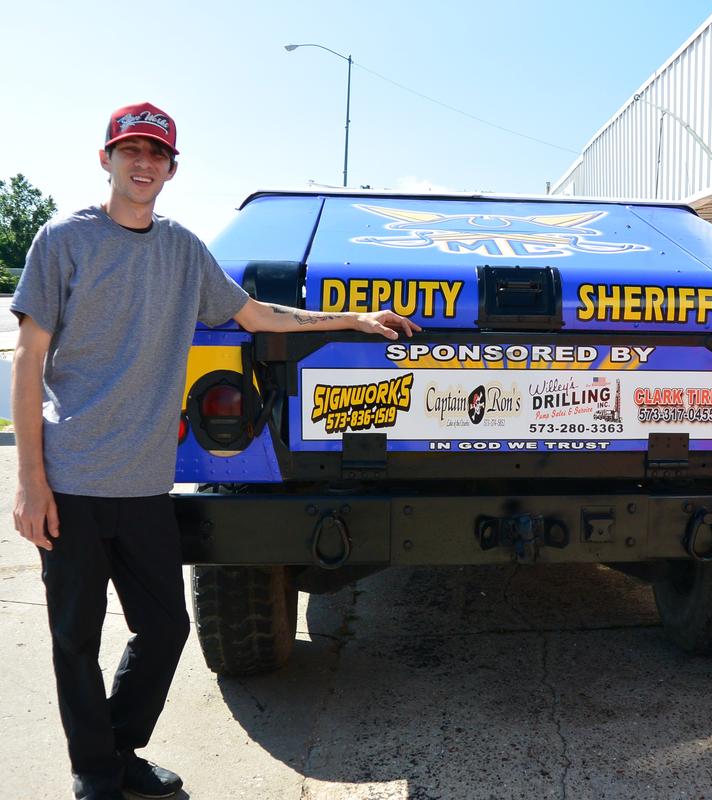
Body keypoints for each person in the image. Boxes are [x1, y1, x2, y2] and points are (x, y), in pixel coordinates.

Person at [10, 102, 420, 800]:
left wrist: (353, 317)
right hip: (72, 479)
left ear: (172, 169)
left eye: (157, 154)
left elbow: (257, 315)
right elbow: (28, 356)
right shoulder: (63, 240)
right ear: (105, 158)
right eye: (130, 150)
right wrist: (30, 480)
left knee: (166, 628)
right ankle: (97, 773)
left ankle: (118, 745)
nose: (143, 164)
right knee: (75, 637)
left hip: (142, 486)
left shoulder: (183, 250)